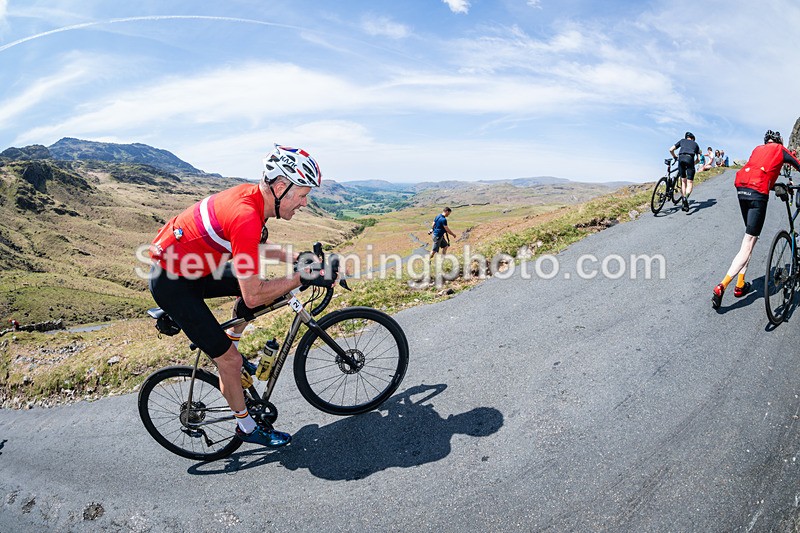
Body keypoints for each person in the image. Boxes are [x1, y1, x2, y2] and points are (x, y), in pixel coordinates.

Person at [148, 144, 330, 448]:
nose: (305, 203)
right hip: (174, 284)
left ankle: (232, 337)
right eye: (302, 194)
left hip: (195, 268)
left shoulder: (255, 200)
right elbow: (254, 295)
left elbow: (252, 248)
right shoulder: (246, 215)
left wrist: (297, 257)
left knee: (263, 287)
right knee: (230, 360)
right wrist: (301, 276)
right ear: (281, 186)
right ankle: (246, 427)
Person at [711, 130, 800, 309]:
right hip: (757, 193)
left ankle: (740, 285)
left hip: (742, 189)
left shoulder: (757, 149)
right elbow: (797, 164)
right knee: (749, 242)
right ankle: (722, 285)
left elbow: (761, 176)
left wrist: (776, 186)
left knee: (749, 241)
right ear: (779, 141)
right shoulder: (780, 149)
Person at [669, 132, 701, 212]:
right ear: (693, 138)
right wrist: (692, 164)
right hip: (690, 158)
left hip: (681, 157)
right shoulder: (696, 144)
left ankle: (683, 198)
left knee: (683, 181)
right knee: (689, 183)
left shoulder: (682, 141)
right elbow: (699, 159)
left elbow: (671, 149)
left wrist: (674, 156)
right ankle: (685, 198)